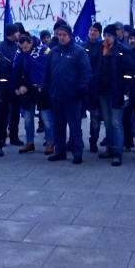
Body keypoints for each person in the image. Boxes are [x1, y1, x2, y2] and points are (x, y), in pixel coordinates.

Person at [43, 24, 92, 164]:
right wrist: (46, 88)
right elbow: (46, 72)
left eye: (64, 35)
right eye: (59, 35)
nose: (62, 37)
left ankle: (77, 153)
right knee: (58, 126)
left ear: (69, 35)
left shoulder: (79, 52)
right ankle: (60, 151)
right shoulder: (53, 52)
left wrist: (82, 89)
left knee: (74, 126)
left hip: (73, 97)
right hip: (56, 96)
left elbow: (86, 73)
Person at [94, 24, 130, 166]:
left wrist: (126, 91)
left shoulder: (122, 50)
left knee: (116, 123)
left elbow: (128, 72)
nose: (106, 38)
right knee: (108, 122)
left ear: (114, 37)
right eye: (105, 36)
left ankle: (118, 152)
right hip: (103, 92)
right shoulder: (101, 49)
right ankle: (110, 147)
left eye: (109, 36)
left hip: (117, 93)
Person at [11, 33, 53, 154]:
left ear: (31, 43)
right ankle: (29, 142)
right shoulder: (19, 53)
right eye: (21, 47)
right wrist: (19, 86)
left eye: (26, 48)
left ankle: (50, 142)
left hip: (42, 89)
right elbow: (16, 71)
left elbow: (48, 69)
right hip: (27, 89)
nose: (24, 50)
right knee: (28, 118)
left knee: (46, 118)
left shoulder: (44, 50)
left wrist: (46, 85)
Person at [0, 23, 23, 146]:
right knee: (3, 113)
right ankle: (2, 136)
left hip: (16, 85)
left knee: (15, 113)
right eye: (17, 32)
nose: (19, 34)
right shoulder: (0, 47)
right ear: (11, 33)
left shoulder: (18, 46)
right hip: (5, 85)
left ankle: (14, 136)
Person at [83, 23, 103, 153]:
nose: (92, 32)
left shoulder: (103, 48)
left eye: (95, 30)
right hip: (82, 88)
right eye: (90, 30)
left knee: (95, 118)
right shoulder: (82, 46)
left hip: (96, 88)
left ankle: (93, 140)